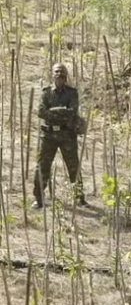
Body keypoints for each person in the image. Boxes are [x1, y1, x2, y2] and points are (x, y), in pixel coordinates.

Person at [33, 63, 87, 209]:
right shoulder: (46, 92)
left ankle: (79, 197)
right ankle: (38, 198)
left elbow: (72, 112)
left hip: (67, 135)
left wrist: (53, 113)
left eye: (62, 73)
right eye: (56, 72)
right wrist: (61, 111)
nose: (59, 75)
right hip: (49, 135)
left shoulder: (72, 93)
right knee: (42, 166)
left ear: (65, 76)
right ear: (52, 74)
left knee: (73, 166)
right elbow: (41, 112)